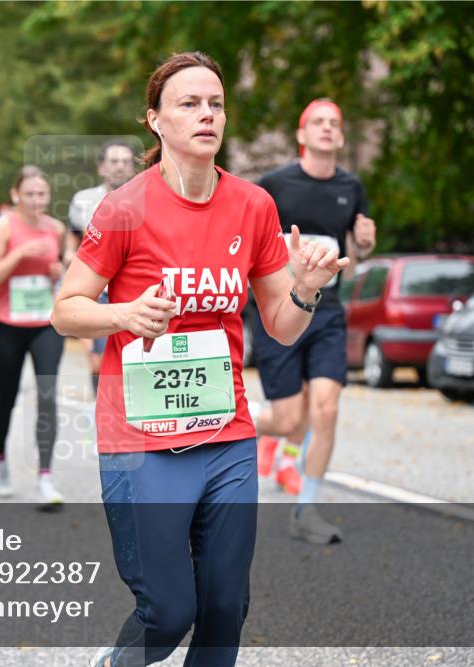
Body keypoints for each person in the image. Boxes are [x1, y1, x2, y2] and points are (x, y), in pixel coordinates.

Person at [50, 52, 349, 667]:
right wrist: (123, 315)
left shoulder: (253, 206)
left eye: (215, 103)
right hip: (141, 438)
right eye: (189, 103)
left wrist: (307, 289)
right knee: (168, 612)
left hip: (227, 431)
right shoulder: (125, 208)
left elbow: (282, 326)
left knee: (222, 611)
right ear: (156, 121)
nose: (206, 114)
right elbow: (66, 308)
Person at [252, 98, 377, 544]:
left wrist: (364, 242)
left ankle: (307, 509)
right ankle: (245, 421)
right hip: (280, 310)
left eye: (335, 124)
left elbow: (355, 251)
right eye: (317, 122)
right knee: (289, 419)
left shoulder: (351, 186)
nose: (327, 129)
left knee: (325, 409)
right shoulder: (274, 184)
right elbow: (252, 242)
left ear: (341, 137)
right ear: (302, 136)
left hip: (327, 313)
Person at [0, 165, 68, 503]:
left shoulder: (55, 229)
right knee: (7, 397)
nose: (35, 200)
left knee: (47, 396)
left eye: (41, 194)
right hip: (6, 326)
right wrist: (17, 254)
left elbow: (59, 274)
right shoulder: (3, 228)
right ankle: (0, 459)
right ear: (16, 195)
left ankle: (45, 477)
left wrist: (58, 272)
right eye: (29, 194)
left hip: (45, 323)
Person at [66, 140, 138, 399]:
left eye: (125, 162)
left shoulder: (144, 200)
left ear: (133, 168)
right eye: (114, 161)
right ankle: (103, 426)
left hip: (135, 294)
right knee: (101, 365)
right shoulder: (83, 201)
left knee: (132, 366)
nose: (119, 167)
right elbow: (71, 246)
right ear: (101, 167)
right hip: (99, 294)